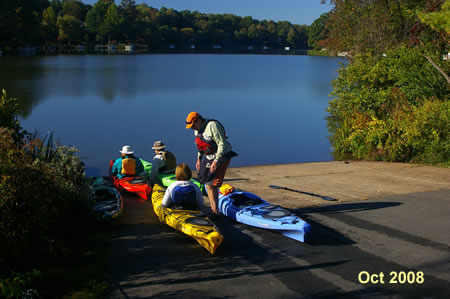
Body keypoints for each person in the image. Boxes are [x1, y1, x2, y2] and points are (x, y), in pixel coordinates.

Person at [185, 111, 237, 215]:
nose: (192, 128)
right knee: (205, 181)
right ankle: (214, 209)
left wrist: (216, 161)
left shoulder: (213, 126)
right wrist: (199, 158)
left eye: (193, 125)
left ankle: (215, 211)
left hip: (222, 155)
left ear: (199, 121)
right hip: (209, 155)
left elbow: (222, 144)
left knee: (212, 183)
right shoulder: (197, 130)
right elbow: (200, 146)